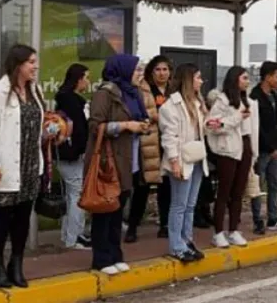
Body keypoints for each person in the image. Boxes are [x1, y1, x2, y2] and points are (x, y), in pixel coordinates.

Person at [0, 44, 46, 288]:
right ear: (18, 64)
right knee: (2, 218)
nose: (36, 66)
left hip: (31, 165)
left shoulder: (35, 90)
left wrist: (50, 132)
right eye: (31, 62)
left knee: (23, 218)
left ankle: (16, 263)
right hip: (6, 166)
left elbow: (37, 124)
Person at [85, 54, 149, 275]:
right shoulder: (105, 93)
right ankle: (101, 259)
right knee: (104, 211)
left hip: (128, 162)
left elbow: (139, 119)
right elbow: (95, 126)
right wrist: (126, 125)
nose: (140, 74)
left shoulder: (133, 93)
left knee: (117, 210)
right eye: (136, 70)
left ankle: (115, 254)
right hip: (109, 162)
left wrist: (142, 125)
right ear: (123, 70)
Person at [158, 63, 215, 263]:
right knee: (179, 205)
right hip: (182, 159)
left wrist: (209, 122)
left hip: (197, 158)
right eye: (198, 77)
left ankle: (187, 240)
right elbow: (169, 137)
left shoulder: (197, 103)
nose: (201, 81)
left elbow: (201, 130)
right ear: (189, 80)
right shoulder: (171, 106)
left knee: (191, 204)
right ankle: (176, 246)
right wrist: (174, 162)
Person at [206, 66, 257, 248]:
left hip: (245, 146)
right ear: (235, 79)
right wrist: (236, 118)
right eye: (244, 78)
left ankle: (233, 230)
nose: (247, 81)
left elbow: (252, 129)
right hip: (227, 150)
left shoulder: (248, 101)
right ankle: (218, 232)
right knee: (224, 192)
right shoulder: (222, 101)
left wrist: (253, 152)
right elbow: (211, 125)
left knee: (238, 192)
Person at [125, 55, 171, 243]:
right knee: (142, 187)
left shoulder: (173, 90)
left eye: (165, 69)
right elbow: (140, 111)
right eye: (158, 70)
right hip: (148, 143)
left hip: (168, 142)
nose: (161, 73)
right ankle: (133, 226)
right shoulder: (143, 88)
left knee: (166, 187)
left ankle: (165, 224)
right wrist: (159, 115)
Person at [250, 61, 277, 234]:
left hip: (273, 148)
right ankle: (257, 219)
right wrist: (269, 147)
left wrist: (276, 146)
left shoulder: (274, 96)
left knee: (274, 183)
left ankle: (273, 217)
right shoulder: (254, 97)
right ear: (267, 77)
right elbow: (257, 127)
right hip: (260, 149)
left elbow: (273, 125)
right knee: (257, 186)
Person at [54, 63, 92, 251]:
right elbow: (79, 130)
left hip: (64, 154)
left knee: (72, 195)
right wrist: (83, 149)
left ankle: (69, 235)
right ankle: (73, 238)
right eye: (86, 77)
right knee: (77, 196)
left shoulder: (63, 98)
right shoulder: (73, 101)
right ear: (78, 79)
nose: (88, 81)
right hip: (72, 155)